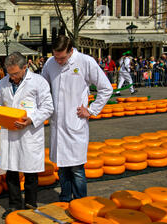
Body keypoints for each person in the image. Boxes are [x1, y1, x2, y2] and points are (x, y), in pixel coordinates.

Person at [41, 35, 113, 202]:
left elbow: (106, 88)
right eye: (56, 57)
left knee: (76, 168)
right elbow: (43, 87)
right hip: (58, 123)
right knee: (62, 167)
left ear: (71, 51)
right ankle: (65, 199)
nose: (58, 61)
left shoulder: (85, 61)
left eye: (62, 57)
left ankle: (81, 201)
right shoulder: (50, 63)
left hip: (75, 122)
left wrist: (92, 110)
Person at [0, 52, 54, 219]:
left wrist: (31, 120)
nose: (12, 77)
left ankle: (30, 205)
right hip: (10, 133)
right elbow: (0, 103)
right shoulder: (2, 83)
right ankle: (14, 205)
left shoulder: (38, 82)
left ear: (25, 67)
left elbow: (48, 107)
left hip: (30, 133)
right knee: (12, 172)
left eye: (15, 73)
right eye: (9, 73)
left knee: (30, 173)